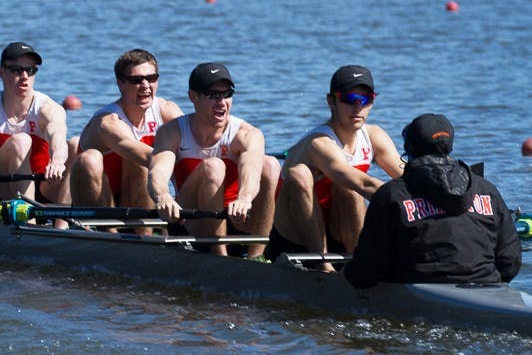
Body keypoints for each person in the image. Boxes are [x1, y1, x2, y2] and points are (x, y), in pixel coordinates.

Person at [344, 113, 522, 288]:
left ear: (409, 150)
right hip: (486, 285)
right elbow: (510, 261)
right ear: (449, 148)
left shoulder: (391, 194)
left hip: (417, 290)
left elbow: (367, 270)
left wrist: (346, 275)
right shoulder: (486, 189)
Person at [267, 65, 403, 270]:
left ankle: (359, 264)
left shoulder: (374, 135)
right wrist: (405, 204)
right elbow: (364, 184)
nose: (358, 107)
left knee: (349, 189)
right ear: (331, 101)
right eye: (349, 99)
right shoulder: (319, 142)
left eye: (366, 99)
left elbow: (410, 176)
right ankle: (326, 267)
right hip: (294, 238)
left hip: (336, 230)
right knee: (304, 174)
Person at [148, 62, 280, 258]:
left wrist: (245, 198)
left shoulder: (246, 134)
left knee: (270, 165)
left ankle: (257, 256)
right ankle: (219, 257)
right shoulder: (172, 132)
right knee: (213, 166)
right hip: (190, 221)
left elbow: (251, 170)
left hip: (237, 219)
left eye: (227, 94)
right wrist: (163, 197)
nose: (222, 102)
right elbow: (158, 171)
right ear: (193, 97)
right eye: (213, 95)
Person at [71, 49, 183, 212]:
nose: (145, 85)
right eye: (136, 80)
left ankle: (146, 225)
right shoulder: (108, 122)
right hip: (98, 199)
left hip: (137, 195)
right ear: (121, 84)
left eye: (151, 78)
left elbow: (194, 145)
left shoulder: (167, 109)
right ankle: (105, 227)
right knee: (92, 158)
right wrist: (164, 194)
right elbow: (146, 156)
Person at [0, 42, 70, 208]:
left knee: (76, 145)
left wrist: (57, 161)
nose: (25, 76)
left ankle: (62, 222)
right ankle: (28, 220)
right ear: (1, 72)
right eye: (17, 70)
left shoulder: (49, 109)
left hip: (43, 186)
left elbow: (58, 137)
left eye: (31, 70)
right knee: (21, 141)